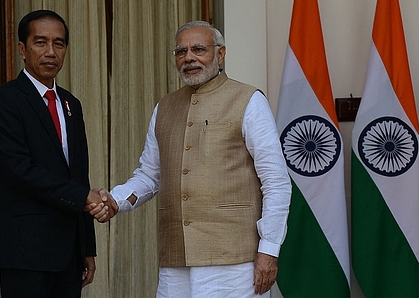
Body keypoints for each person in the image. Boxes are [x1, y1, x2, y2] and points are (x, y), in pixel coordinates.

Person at [87, 21, 292, 297]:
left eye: (198, 49)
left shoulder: (248, 100)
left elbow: (276, 181)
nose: (188, 58)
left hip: (235, 262)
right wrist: (116, 200)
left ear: (220, 55)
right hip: (176, 260)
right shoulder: (165, 107)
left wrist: (269, 250)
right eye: (181, 51)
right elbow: (149, 175)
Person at [0, 9, 106, 297]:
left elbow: (79, 175)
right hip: (26, 251)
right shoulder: (5, 100)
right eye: (40, 43)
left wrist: (87, 247)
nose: (51, 52)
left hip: (69, 253)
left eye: (59, 43)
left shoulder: (71, 104)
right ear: (22, 50)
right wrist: (82, 197)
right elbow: (19, 170)